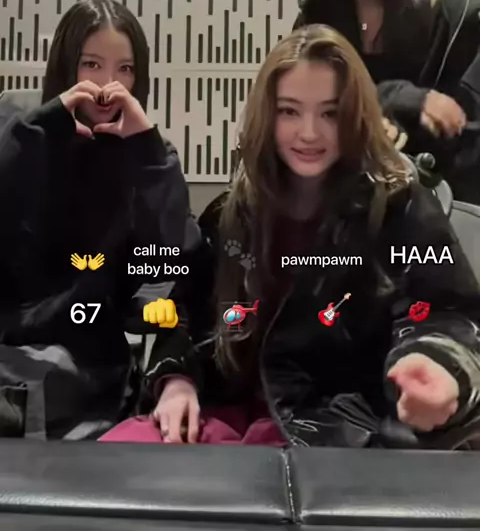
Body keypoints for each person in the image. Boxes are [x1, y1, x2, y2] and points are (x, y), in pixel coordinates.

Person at [100, 24, 480, 450]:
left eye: (330, 113)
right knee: (115, 462)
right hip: (224, 414)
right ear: (268, 114)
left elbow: (445, 311)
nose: (309, 133)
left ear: (354, 115)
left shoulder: (397, 206)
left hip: (341, 431)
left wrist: (434, 362)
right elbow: (188, 310)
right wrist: (176, 380)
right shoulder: (233, 212)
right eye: (289, 111)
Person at [0, 0, 190, 439]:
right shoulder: (21, 131)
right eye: (91, 65)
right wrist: (41, 131)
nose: (107, 85)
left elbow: (170, 258)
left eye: (125, 69)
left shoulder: (149, 158)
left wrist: (147, 153)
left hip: (83, 361)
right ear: (67, 66)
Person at [293, 0, 480, 204]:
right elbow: (299, 99)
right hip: (342, 193)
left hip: (437, 195)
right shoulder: (318, 16)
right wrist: (397, 99)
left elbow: (462, 122)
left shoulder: (447, 12)